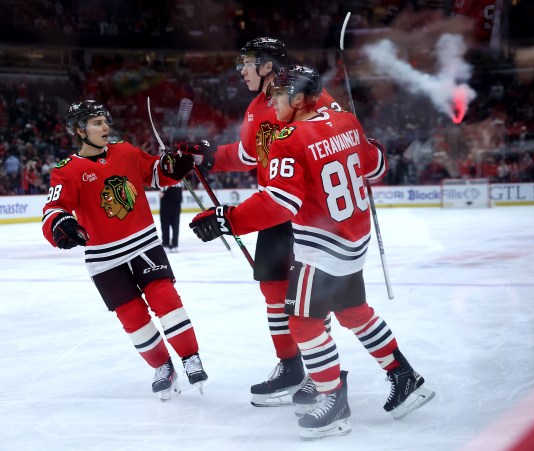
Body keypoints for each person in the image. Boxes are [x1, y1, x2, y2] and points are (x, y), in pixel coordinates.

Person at [189, 65, 434, 439]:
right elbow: (377, 165)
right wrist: (367, 141)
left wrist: (227, 219)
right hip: (354, 241)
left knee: (303, 323)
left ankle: (333, 401)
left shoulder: (290, 137)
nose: (271, 101)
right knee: (355, 313)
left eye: (278, 95)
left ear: (300, 98)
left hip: (321, 248)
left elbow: (279, 203)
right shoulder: (346, 121)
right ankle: (405, 376)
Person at [178, 37, 339, 409]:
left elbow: (334, 135)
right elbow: (250, 155)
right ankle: (290, 366)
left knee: (308, 298)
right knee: (273, 292)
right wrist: (209, 157)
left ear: (267, 66)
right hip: (272, 208)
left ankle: (319, 373)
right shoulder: (254, 109)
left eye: (247, 63)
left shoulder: (305, 95)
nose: (242, 70)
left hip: (307, 211)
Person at [41, 100, 208, 401]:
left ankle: (190, 357)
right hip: (104, 258)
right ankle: (162, 366)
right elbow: (54, 207)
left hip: (142, 243)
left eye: (105, 121)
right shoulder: (66, 170)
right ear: (80, 130)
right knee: (132, 317)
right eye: (96, 123)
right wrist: (58, 224)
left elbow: (157, 173)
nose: (105, 127)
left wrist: (175, 165)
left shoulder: (126, 151)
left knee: (165, 298)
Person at [159, 184, 183, 252]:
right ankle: (174, 244)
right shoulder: (180, 181)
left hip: (166, 206)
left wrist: (161, 192)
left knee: (165, 225)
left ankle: (166, 243)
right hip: (177, 206)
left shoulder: (166, 182)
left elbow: (161, 194)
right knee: (175, 225)